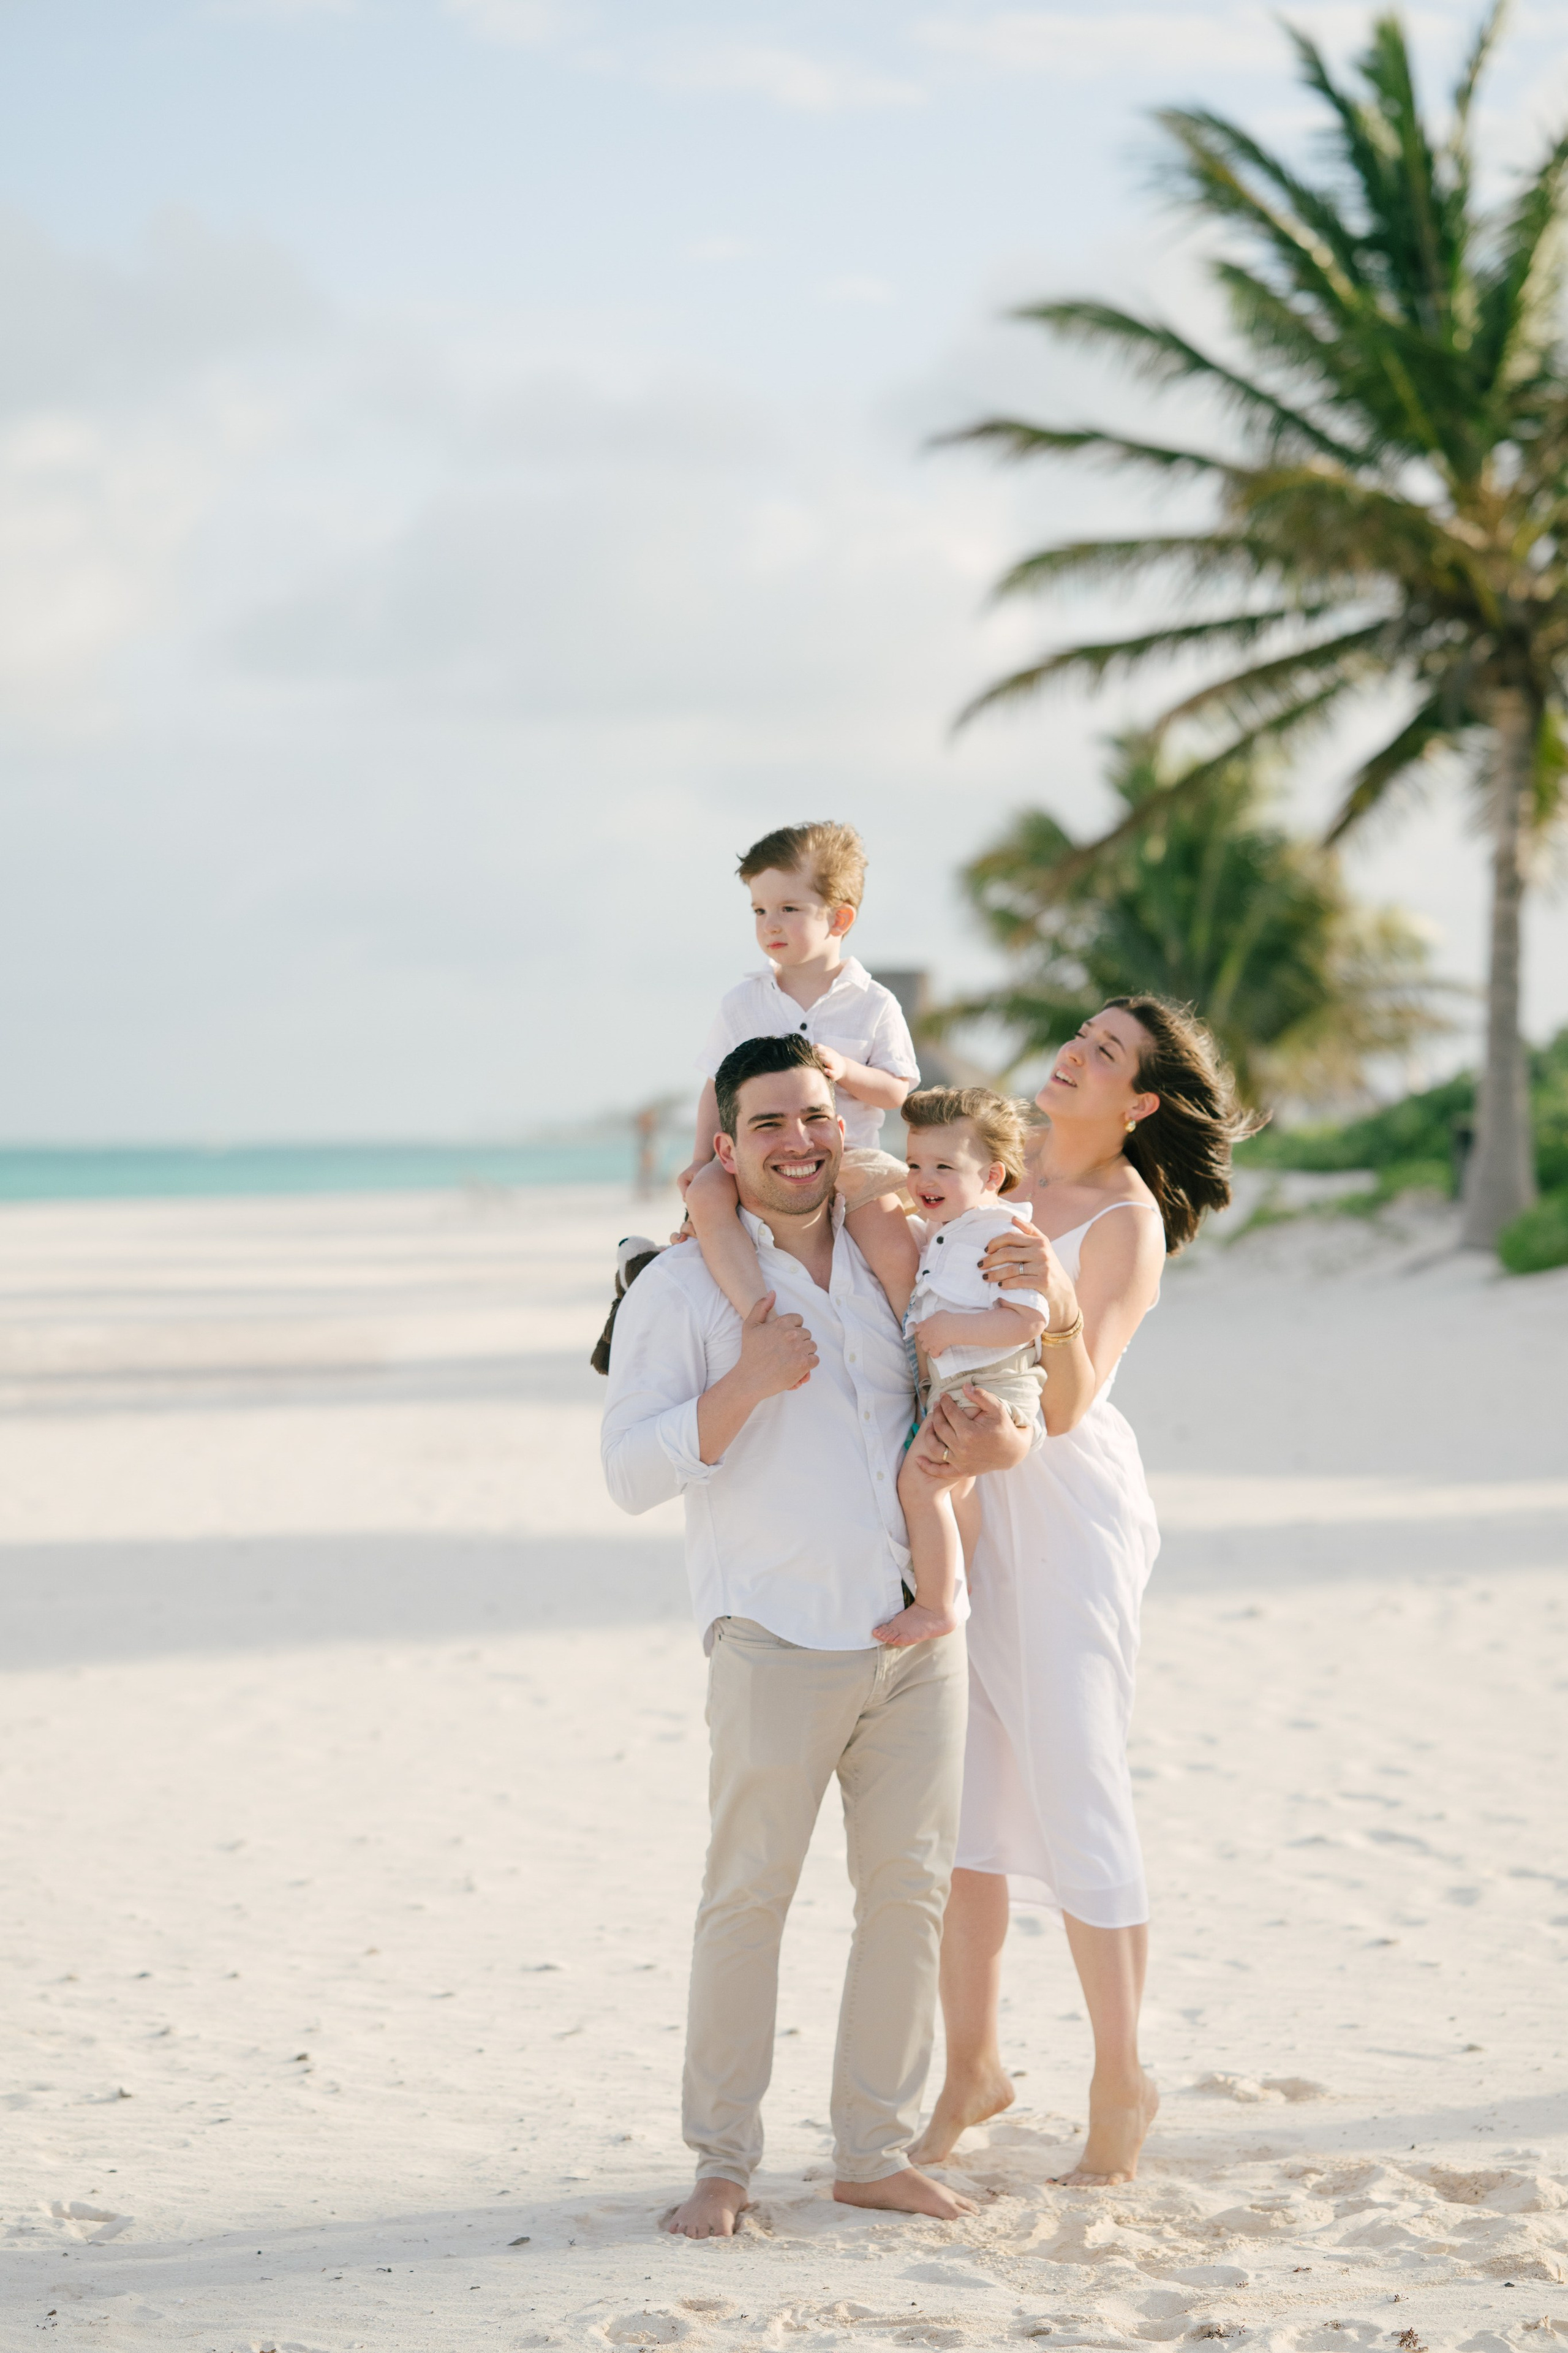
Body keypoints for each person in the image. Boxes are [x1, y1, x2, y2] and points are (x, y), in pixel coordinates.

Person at [600, 1033, 1052, 2238]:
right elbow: (627, 1472)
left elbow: (1003, 1370)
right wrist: (745, 1380)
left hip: (916, 1637)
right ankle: (722, 2162)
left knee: (905, 1898)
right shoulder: (683, 1289)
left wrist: (1023, 1287)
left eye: (812, 1116)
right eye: (766, 1125)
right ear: (724, 1147)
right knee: (747, 1898)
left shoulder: (886, 1251)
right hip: (775, 1638)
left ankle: (872, 2149)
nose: (797, 1141)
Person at [911, 997, 1259, 2188]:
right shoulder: (985, 1178)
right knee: (962, 1809)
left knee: (1074, 1780)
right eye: (1079, 1035)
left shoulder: (1122, 1219)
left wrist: (1052, 1300)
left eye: (1105, 1053)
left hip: (1063, 1513)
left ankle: (1121, 2077)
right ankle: (972, 2066)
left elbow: (1066, 1404)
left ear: (1141, 1103)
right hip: (964, 1499)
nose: (1074, 1053)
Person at [677, 820, 920, 1298]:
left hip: (850, 1159)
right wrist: (703, 1157)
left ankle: (918, 1347)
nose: (770, 923)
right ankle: (753, 1309)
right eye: (760, 909)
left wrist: (848, 1071)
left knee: (894, 1247)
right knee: (704, 1195)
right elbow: (715, 1085)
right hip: (759, 1161)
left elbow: (897, 1088)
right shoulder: (743, 1002)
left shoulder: (873, 1003)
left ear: (839, 919)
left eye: (789, 908)